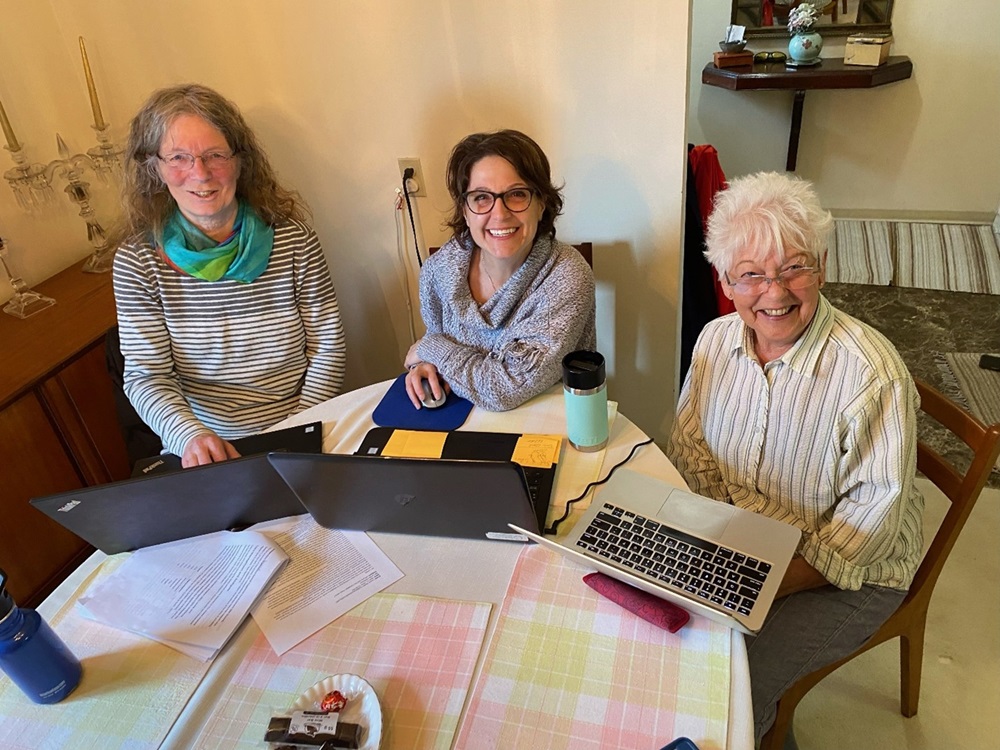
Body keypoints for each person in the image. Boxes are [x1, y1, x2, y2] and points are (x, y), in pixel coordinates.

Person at [667, 172, 924, 746]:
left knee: (737, 686)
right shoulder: (713, 341)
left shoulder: (872, 374)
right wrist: (717, 544)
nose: (775, 293)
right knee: (669, 643)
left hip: (850, 572)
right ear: (725, 280)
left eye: (794, 268)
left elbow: (867, 533)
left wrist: (757, 581)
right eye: (752, 274)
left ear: (823, 266)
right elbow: (692, 449)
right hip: (744, 537)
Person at [112, 84, 346, 468]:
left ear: (240, 161)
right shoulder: (137, 262)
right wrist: (192, 437)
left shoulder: (294, 240)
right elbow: (146, 376)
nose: (200, 174)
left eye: (215, 155)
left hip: (303, 423)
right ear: (154, 167)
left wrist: (297, 428)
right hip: (207, 445)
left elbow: (327, 348)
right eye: (179, 157)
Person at [403, 129, 595, 411]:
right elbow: (437, 343)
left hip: (546, 423)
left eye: (517, 194)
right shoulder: (439, 269)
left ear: (541, 203)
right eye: (481, 197)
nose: (500, 213)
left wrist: (429, 347)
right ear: (465, 210)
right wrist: (423, 364)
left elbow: (503, 389)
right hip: (457, 418)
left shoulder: (566, 275)